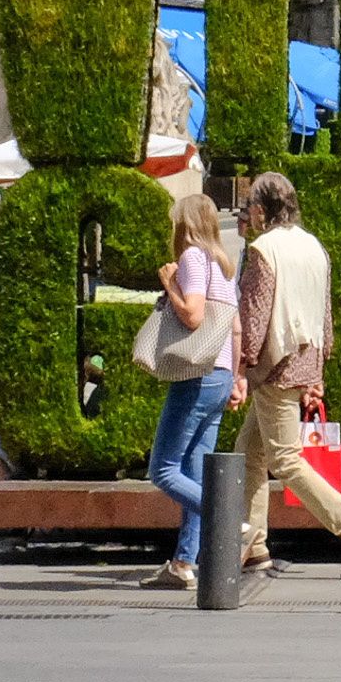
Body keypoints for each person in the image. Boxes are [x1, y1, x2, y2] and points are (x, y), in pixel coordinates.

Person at [228, 172, 341, 575]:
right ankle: (255, 545)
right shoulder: (314, 246)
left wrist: (240, 366)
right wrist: (318, 369)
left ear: (261, 210)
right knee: (250, 454)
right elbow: (324, 312)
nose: (249, 216)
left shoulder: (264, 249)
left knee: (285, 459)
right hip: (303, 359)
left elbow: (255, 314)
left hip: (274, 366)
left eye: (250, 209)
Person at [138, 190, 238, 591]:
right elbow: (235, 327)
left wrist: (169, 284)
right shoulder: (222, 264)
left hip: (197, 372)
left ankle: (232, 522)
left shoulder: (193, 258)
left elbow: (194, 316)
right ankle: (183, 561)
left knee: (163, 470)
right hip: (221, 374)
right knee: (195, 472)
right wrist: (239, 377)